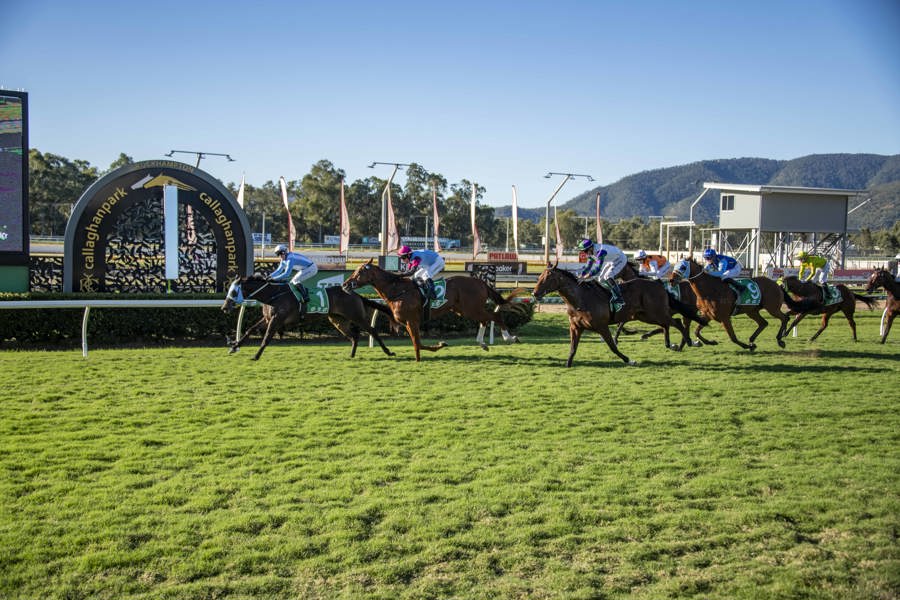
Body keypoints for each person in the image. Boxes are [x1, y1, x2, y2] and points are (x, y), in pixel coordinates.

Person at [577, 238, 627, 308]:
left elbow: (597, 269)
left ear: (590, 248)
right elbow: (588, 266)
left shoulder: (600, 252)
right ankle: (610, 293)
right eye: (583, 251)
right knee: (600, 279)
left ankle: (619, 298)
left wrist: (585, 277)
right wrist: (581, 275)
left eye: (585, 251)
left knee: (607, 276)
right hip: (612, 260)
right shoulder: (591, 251)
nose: (584, 253)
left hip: (620, 258)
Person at [268, 244, 317, 313]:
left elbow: (286, 274)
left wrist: (274, 279)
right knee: (291, 283)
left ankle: (305, 297)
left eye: (281, 254)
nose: (280, 256)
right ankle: (299, 297)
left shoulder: (290, 259)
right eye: (278, 254)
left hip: (311, 268)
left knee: (295, 280)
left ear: (285, 252)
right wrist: (269, 276)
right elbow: (279, 270)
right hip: (305, 269)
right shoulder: (284, 259)